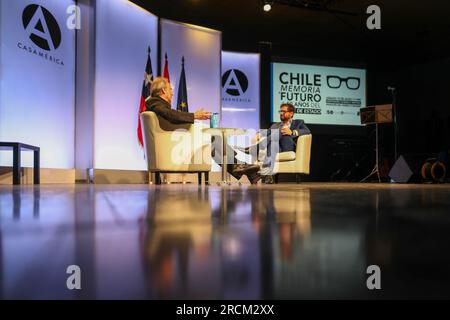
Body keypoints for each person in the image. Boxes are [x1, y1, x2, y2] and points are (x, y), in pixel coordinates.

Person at [145, 77, 261, 184]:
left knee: (214, 140)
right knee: (214, 139)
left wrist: (193, 117)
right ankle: (240, 167)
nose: (172, 92)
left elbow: (171, 117)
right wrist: (194, 116)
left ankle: (247, 172)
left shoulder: (158, 104)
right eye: (170, 89)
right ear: (163, 91)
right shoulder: (154, 102)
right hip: (174, 145)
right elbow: (170, 115)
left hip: (175, 141)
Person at [246, 103, 311, 183]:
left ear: (291, 113)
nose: (281, 113)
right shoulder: (275, 125)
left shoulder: (298, 122)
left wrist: (292, 132)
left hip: (288, 146)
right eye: (280, 111)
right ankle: (268, 175)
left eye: (284, 111)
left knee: (281, 130)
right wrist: (258, 134)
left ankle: (256, 148)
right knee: (272, 143)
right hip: (277, 148)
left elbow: (307, 131)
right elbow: (267, 132)